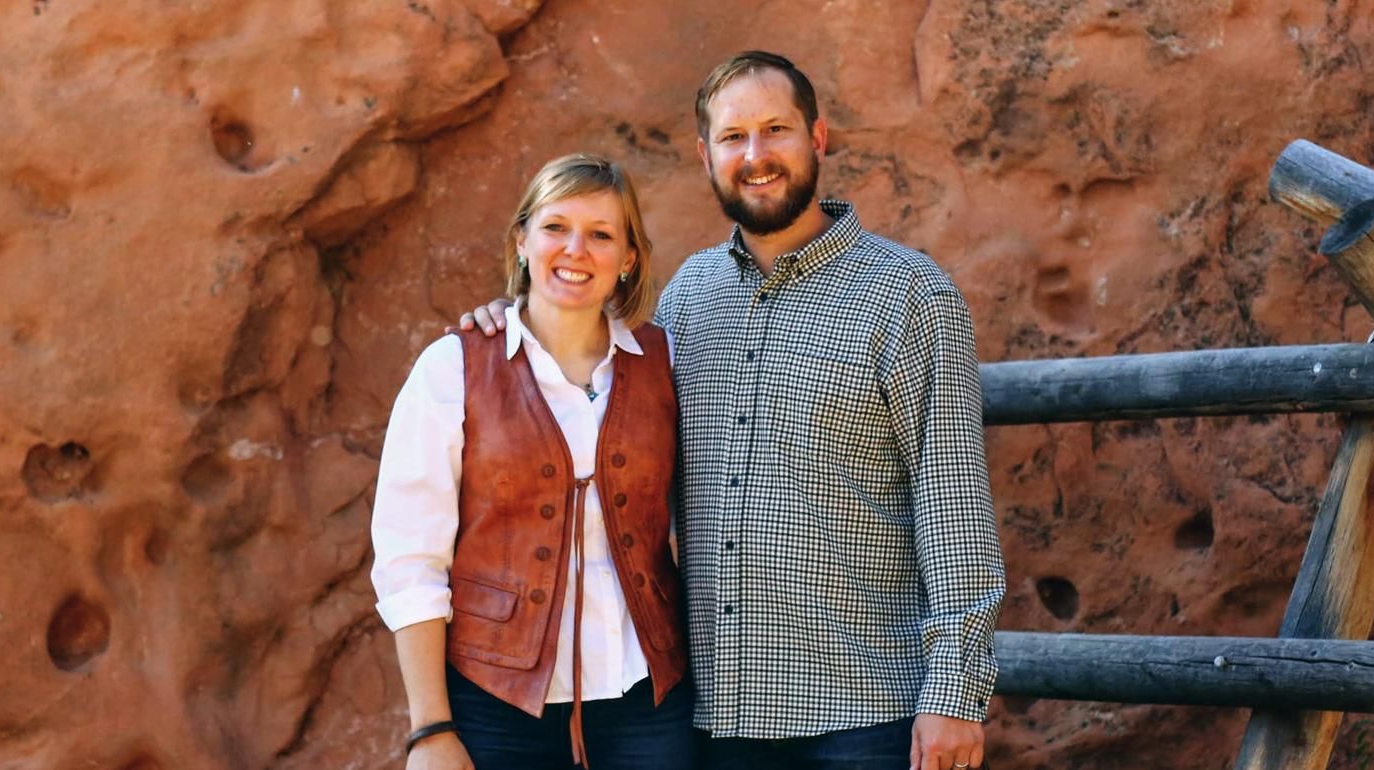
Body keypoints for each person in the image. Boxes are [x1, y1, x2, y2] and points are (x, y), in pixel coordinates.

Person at [462, 52, 1008, 770]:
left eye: (775, 129)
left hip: (870, 712)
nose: (755, 156)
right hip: (722, 718)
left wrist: (955, 694)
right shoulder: (689, 298)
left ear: (818, 138)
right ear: (705, 154)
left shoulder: (908, 295)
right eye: (732, 137)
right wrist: (513, 321)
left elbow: (954, 505)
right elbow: (588, 361)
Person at [371, 153, 693, 770]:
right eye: (555, 227)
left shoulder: (665, 361)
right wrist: (431, 729)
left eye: (601, 234)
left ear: (628, 259)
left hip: (648, 702)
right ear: (522, 239)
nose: (575, 249)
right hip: (496, 704)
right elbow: (411, 559)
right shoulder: (453, 368)